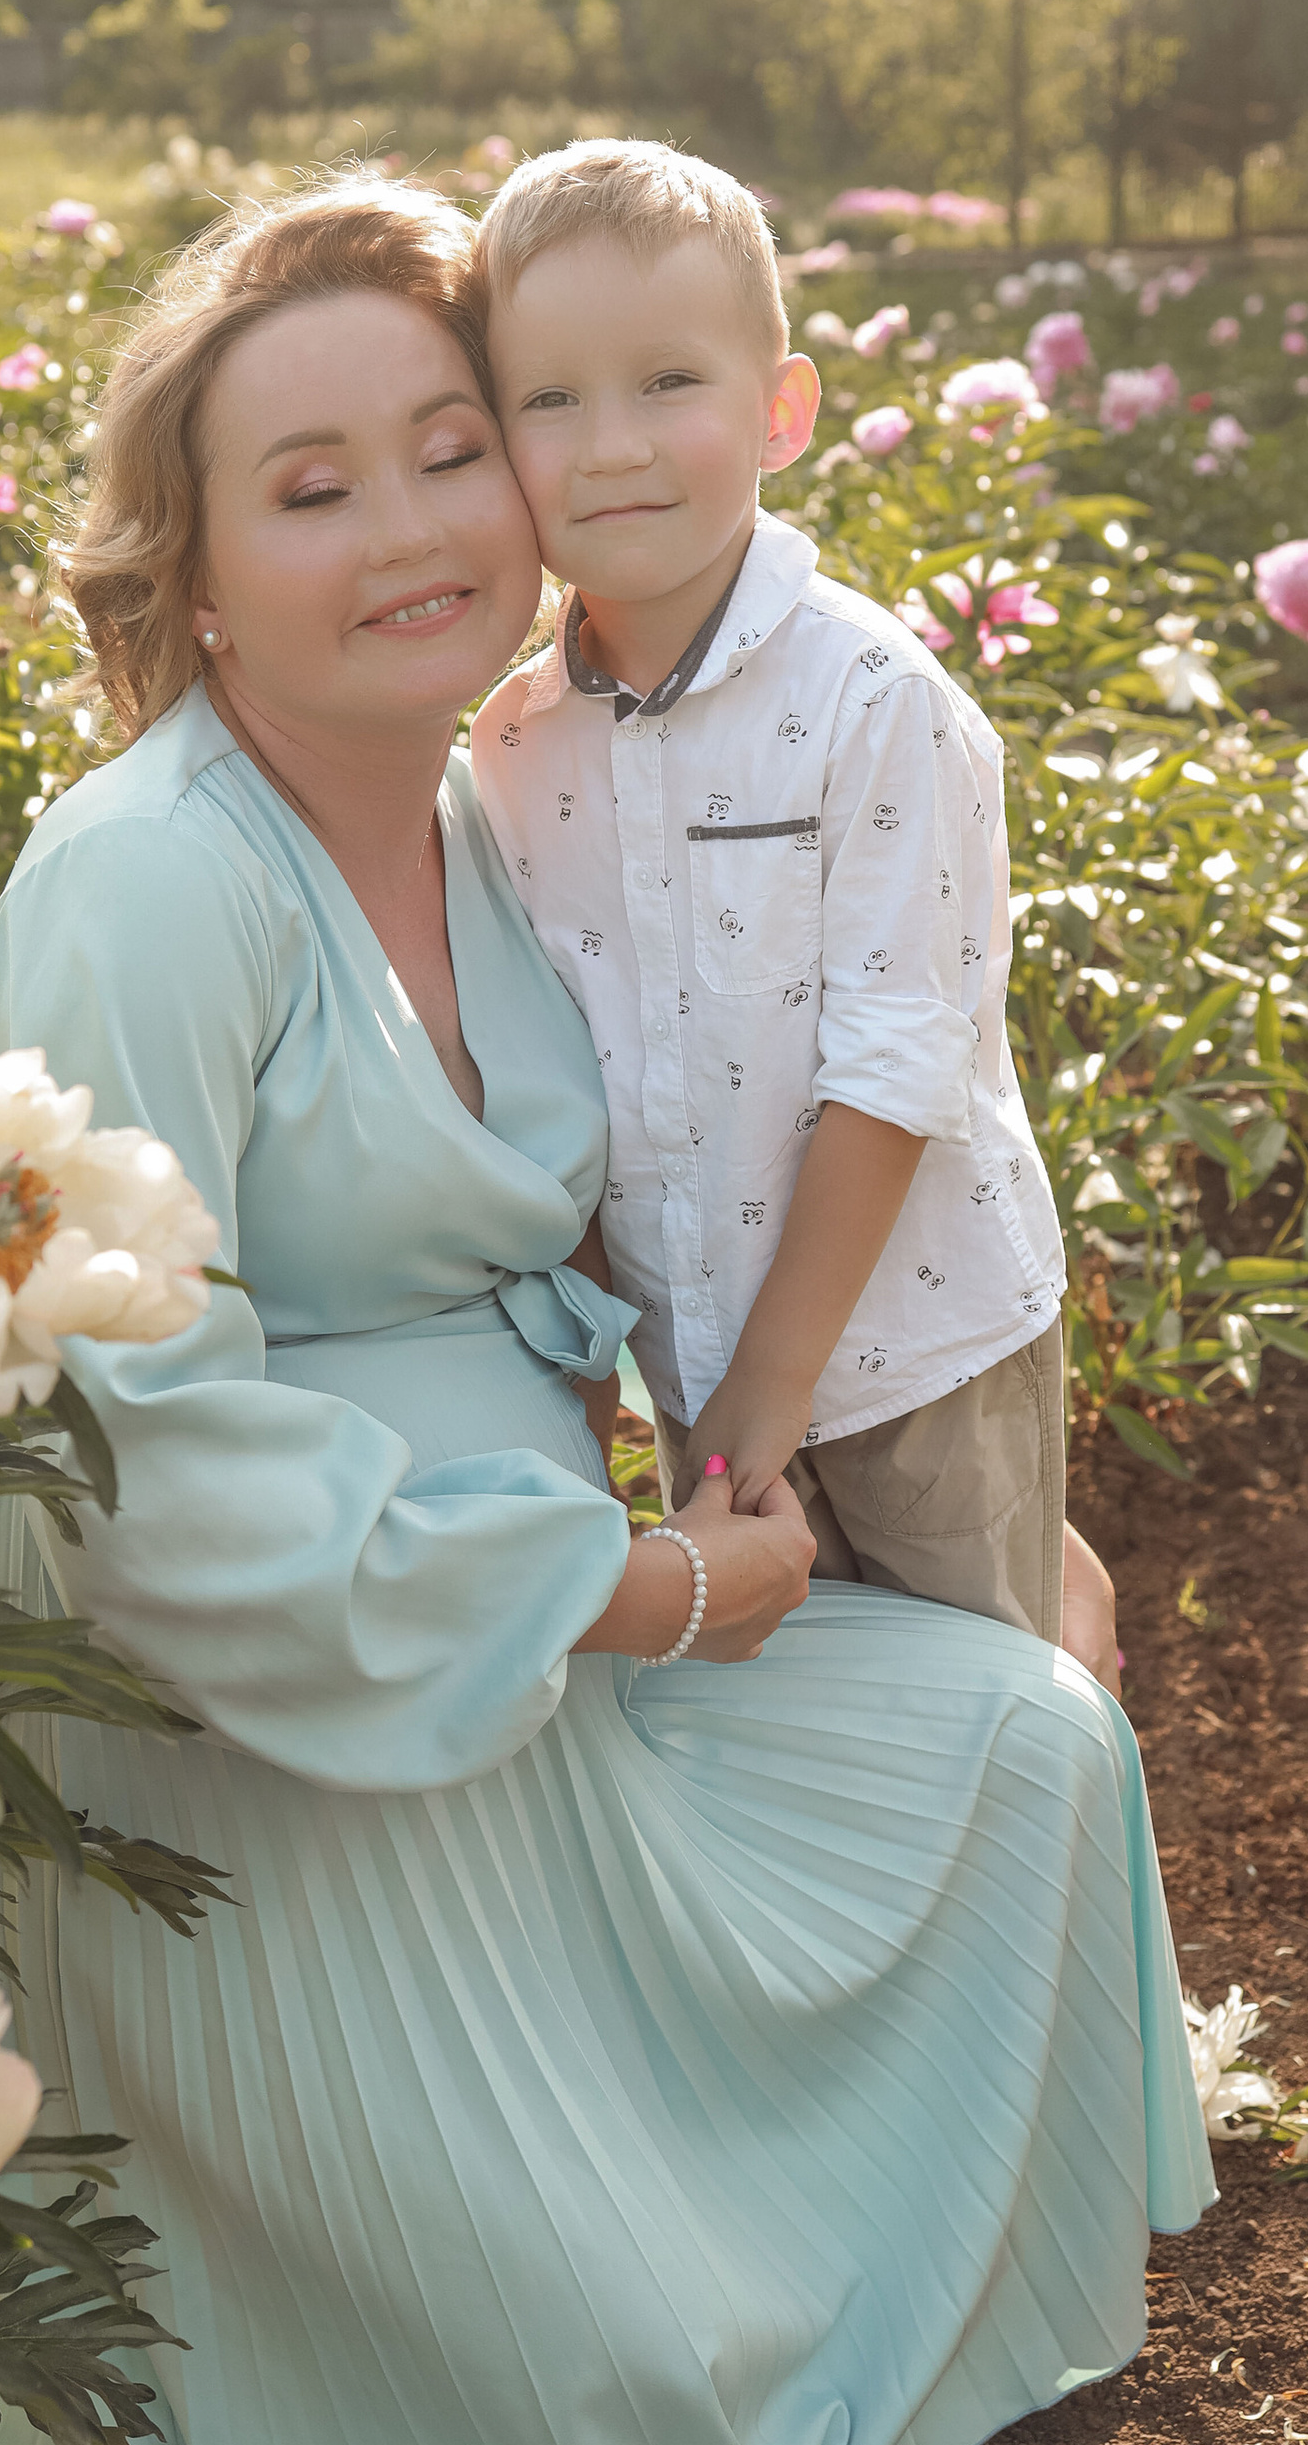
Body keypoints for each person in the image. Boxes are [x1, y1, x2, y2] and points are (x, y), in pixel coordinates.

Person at [0, 176, 1213, 2445]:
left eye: (445, 451)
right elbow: (117, 1457)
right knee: (599, 2394)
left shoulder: (480, 801)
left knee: (1031, 1750)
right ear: (200, 565)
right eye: (314, 483)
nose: (414, 529)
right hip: (257, 1717)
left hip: (554, 1625)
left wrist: (699, 1503)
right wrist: (623, 1584)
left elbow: (585, 1225)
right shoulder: (143, 883)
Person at [469, 137, 1112, 1662]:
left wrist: (776, 1379)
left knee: (995, 1703)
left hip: (917, 1346)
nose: (610, 443)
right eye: (548, 399)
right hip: (690, 1367)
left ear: (782, 412)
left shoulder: (874, 701)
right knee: (788, 1733)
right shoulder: (512, 742)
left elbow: (900, 1063)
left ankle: (1062, 1888)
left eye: (668, 383)